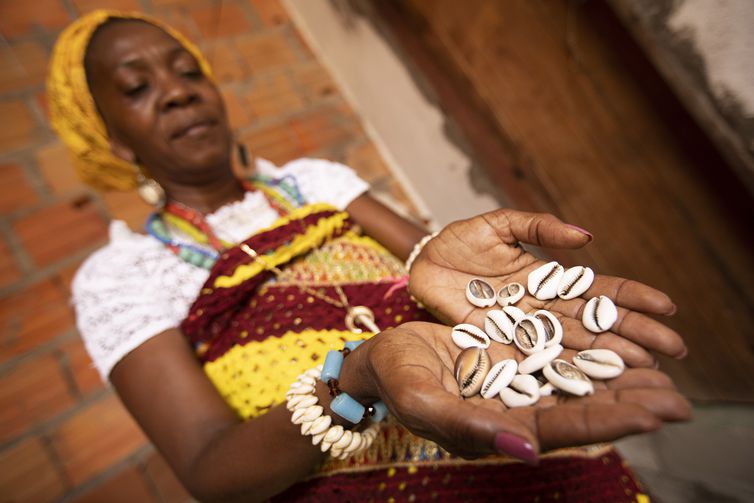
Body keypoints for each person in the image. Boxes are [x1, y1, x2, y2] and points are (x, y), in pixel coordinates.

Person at [48, 9, 690, 502]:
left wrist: (462, 268)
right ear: (109, 140)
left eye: (188, 72)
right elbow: (212, 469)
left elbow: (433, 267)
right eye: (136, 87)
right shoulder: (121, 276)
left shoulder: (318, 184)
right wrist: (357, 377)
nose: (178, 92)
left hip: (508, 423)